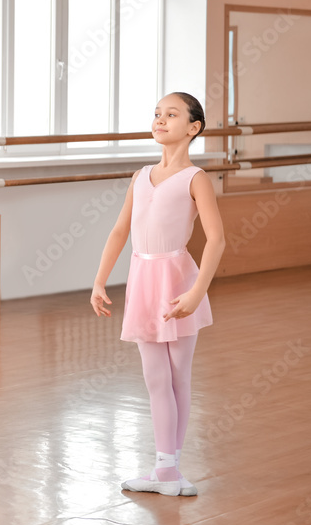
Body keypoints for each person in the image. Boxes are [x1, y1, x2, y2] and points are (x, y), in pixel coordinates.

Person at [90, 92, 225, 496]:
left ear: (193, 127)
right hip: (143, 278)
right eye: (156, 114)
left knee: (178, 377)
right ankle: (166, 471)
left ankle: (169, 469)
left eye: (172, 114)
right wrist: (99, 280)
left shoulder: (196, 178)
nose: (160, 120)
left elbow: (216, 240)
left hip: (178, 280)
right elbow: (119, 232)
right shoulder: (141, 174)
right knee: (155, 377)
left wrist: (196, 294)